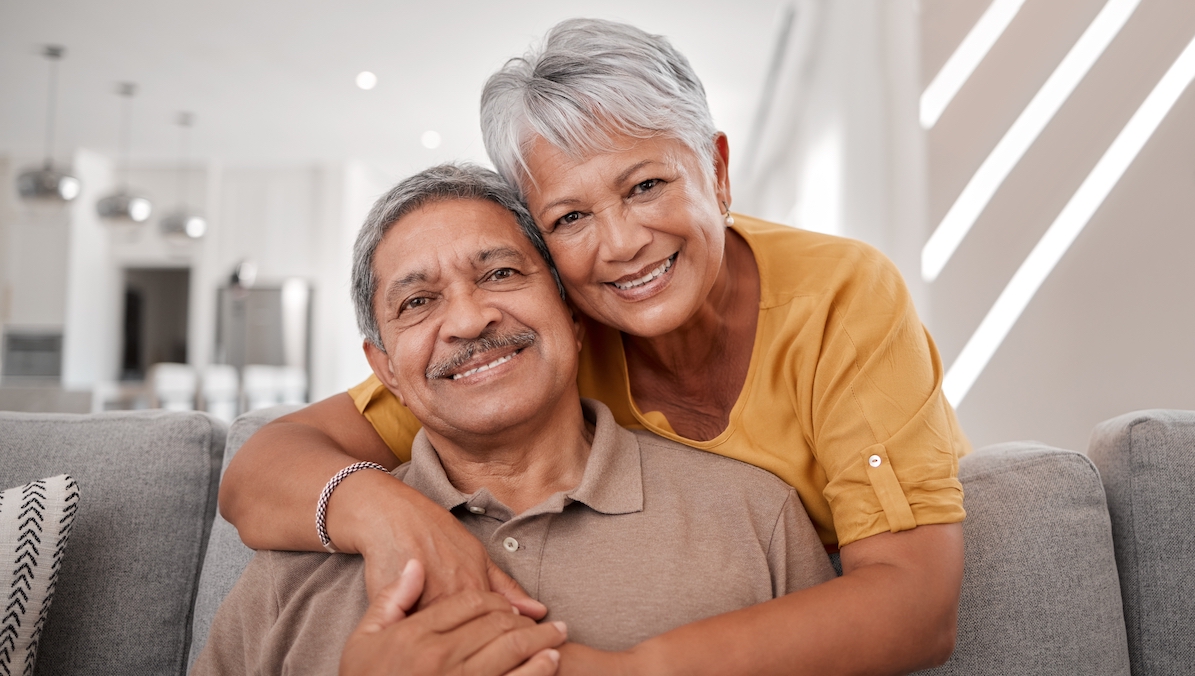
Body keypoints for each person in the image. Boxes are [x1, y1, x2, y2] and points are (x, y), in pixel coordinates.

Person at [220, 18, 969, 675]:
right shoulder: (530, 341)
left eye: (645, 186)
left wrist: (627, 671)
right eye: (571, 217)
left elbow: (916, 600)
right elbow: (261, 467)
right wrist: (394, 516)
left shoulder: (839, 297)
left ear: (717, 170)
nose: (621, 246)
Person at [192, 164, 834, 675]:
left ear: (575, 314)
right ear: (384, 368)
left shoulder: (757, 518)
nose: (470, 320)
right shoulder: (299, 559)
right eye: (418, 302)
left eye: (500, 273)